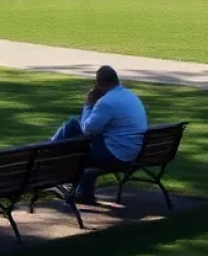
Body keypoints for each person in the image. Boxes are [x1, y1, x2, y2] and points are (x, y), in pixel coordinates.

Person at [51, 65, 148, 203]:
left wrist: (89, 104)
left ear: (100, 84)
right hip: (133, 152)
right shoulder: (130, 95)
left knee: (74, 127)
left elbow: (87, 129)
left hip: (116, 155)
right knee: (80, 138)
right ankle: (84, 192)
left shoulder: (106, 102)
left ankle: (46, 153)